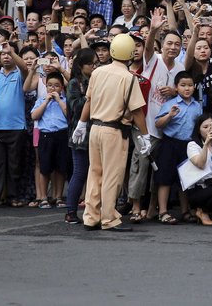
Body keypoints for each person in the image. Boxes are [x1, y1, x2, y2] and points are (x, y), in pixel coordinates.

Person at [71, 33, 150, 231]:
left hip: (95, 128)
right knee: (111, 176)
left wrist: (81, 124)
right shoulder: (129, 78)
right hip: (114, 131)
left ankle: (91, 216)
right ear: (130, 54)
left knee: (94, 173)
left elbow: (88, 101)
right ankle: (109, 218)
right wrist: (145, 135)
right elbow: (137, 111)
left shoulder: (98, 72)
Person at [0, 40, 29, 208]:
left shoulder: (19, 73)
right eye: (3, 54)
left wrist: (11, 50)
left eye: (9, 54)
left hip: (17, 127)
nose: (6, 57)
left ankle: (13, 197)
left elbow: (25, 68)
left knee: (14, 166)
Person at [153, 71, 202, 223]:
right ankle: (162, 211)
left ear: (194, 87)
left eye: (190, 85)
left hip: (188, 145)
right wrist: (169, 116)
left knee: (185, 179)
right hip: (170, 143)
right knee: (165, 178)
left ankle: (185, 211)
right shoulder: (169, 104)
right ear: (176, 87)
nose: (187, 89)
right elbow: (158, 124)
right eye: (183, 85)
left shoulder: (197, 106)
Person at [29, 71, 71, 208]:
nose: (53, 88)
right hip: (46, 136)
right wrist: (46, 101)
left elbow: (69, 115)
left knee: (60, 167)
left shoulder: (65, 101)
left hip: (61, 135)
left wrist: (58, 100)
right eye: (50, 85)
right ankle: (43, 197)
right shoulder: (40, 101)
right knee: (44, 167)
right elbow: (34, 116)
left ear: (62, 88)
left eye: (57, 86)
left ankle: (58, 196)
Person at [64, 48, 97, 224]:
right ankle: (70, 211)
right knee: (80, 172)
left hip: (97, 131)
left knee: (97, 172)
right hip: (80, 133)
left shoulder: (95, 79)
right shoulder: (74, 83)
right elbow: (75, 106)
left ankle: (94, 210)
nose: (94, 67)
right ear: (81, 65)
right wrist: (90, 95)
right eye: (91, 64)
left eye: (96, 63)